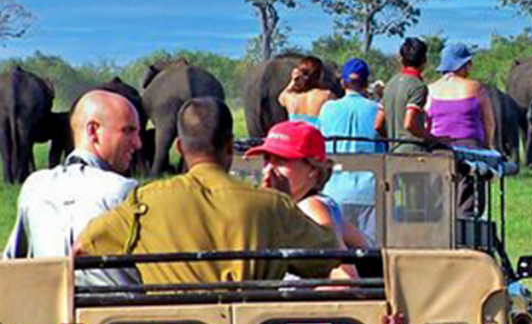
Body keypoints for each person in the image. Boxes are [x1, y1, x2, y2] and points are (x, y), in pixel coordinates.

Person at [76, 97, 342, 285]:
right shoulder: (272, 205)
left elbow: (84, 248)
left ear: (179, 148)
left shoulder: (144, 202)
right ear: (229, 146)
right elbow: (328, 256)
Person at [4, 89, 142, 287]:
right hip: (115, 314)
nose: (137, 143)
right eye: (128, 131)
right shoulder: (125, 192)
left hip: (49, 314)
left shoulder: (34, 187)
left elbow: (12, 265)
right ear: (93, 131)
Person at [244, 120, 368, 274]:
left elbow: (345, 278)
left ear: (313, 170)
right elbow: (364, 249)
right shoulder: (321, 204)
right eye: (267, 160)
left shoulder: (310, 208)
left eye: (281, 161)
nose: (268, 170)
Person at [319, 58, 385, 243]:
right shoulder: (378, 109)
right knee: (371, 254)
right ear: (366, 83)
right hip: (370, 191)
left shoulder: (327, 109)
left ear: (343, 82)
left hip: (334, 190)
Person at [427, 42, 496, 149]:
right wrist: (488, 145)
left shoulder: (430, 89)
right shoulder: (476, 87)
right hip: (471, 147)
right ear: (464, 65)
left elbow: (426, 124)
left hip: (439, 148)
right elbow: (489, 122)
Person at [379, 37, 439, 153]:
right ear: (424, 60)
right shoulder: (418, 86)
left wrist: (392, 138)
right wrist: (433, 139)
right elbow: (409, 124)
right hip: (413, 153)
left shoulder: (390, 84)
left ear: (402, 59)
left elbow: (378, 125)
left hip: (392, 153)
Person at [278, 55, 336, 128]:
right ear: (319, 75)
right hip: (315, 137)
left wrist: (293, 81)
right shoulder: (327, 95)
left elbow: (280, 99)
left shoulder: (290, 97)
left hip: (295, 138)